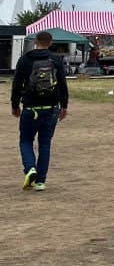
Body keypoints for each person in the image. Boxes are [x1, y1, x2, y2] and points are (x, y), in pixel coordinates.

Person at [11, 31, 69, 191]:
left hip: (30, 108)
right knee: (44, 144)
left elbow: (16, 85)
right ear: (50, 43)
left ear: (35, 42)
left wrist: (15, 106)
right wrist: (64, 106)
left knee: (26, 140)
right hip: (50, 109)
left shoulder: (24, 60)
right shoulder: (56, 60)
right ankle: (40, 182)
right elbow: (63, 85)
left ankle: (30, 168)